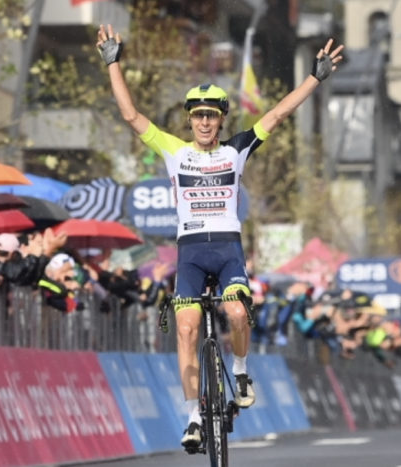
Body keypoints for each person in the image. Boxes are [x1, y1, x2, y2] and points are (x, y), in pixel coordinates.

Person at [97, 23, 344, 448]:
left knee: (234, 313)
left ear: (222, 119)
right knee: (188, 328)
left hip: (228, 250)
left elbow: (278, 114)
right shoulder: (175, 150)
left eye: (212, 115)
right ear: (190, 120)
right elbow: (131, 116)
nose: (205, 122)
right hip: (190, 254)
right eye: (198, 115)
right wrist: (113, 63)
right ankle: (194, 418)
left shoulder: (237, 150)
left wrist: (315, 77)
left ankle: (243, 368)